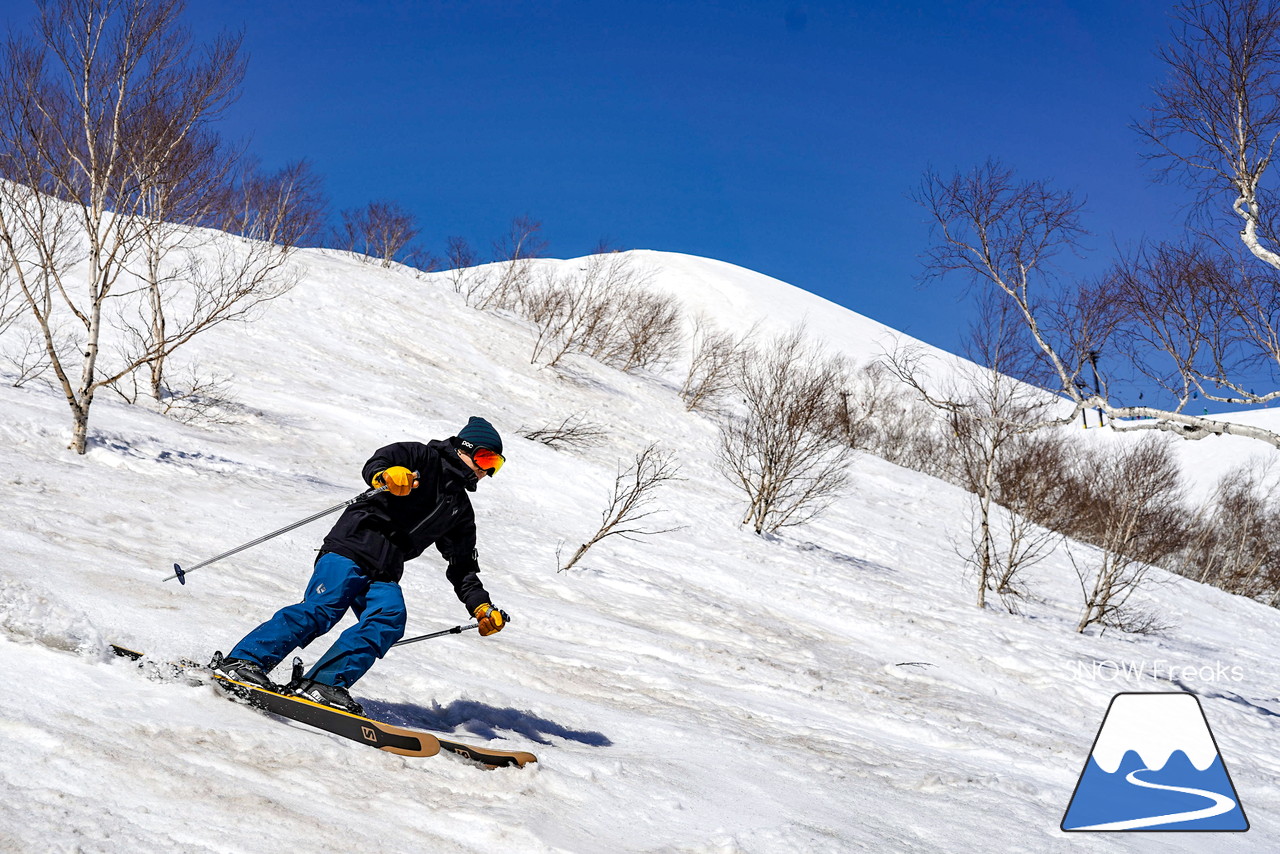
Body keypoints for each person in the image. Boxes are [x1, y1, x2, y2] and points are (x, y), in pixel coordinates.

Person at [212, 416, 509, 715]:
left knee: (389, 619)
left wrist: (481, 607)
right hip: (352, 546)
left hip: (386, 569)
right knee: (323, 608)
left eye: (495, 464)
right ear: (463, 448)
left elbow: (462, 567)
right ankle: (243, 662)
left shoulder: (458, 510)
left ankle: (322, 685)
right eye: (485, 458)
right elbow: (380, 461)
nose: (486, 470)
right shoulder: (423, 457)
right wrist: (386, 475)